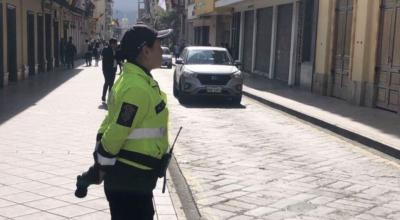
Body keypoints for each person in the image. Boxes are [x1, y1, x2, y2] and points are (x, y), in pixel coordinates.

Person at [80, 24, 173, 219]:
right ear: (146, 51)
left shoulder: (135, 79)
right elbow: (116, 133)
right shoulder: (136, 88)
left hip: (134, 181)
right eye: (158, 45)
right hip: (130, 183)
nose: (161, 50)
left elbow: (111, 122)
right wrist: (99, 169)